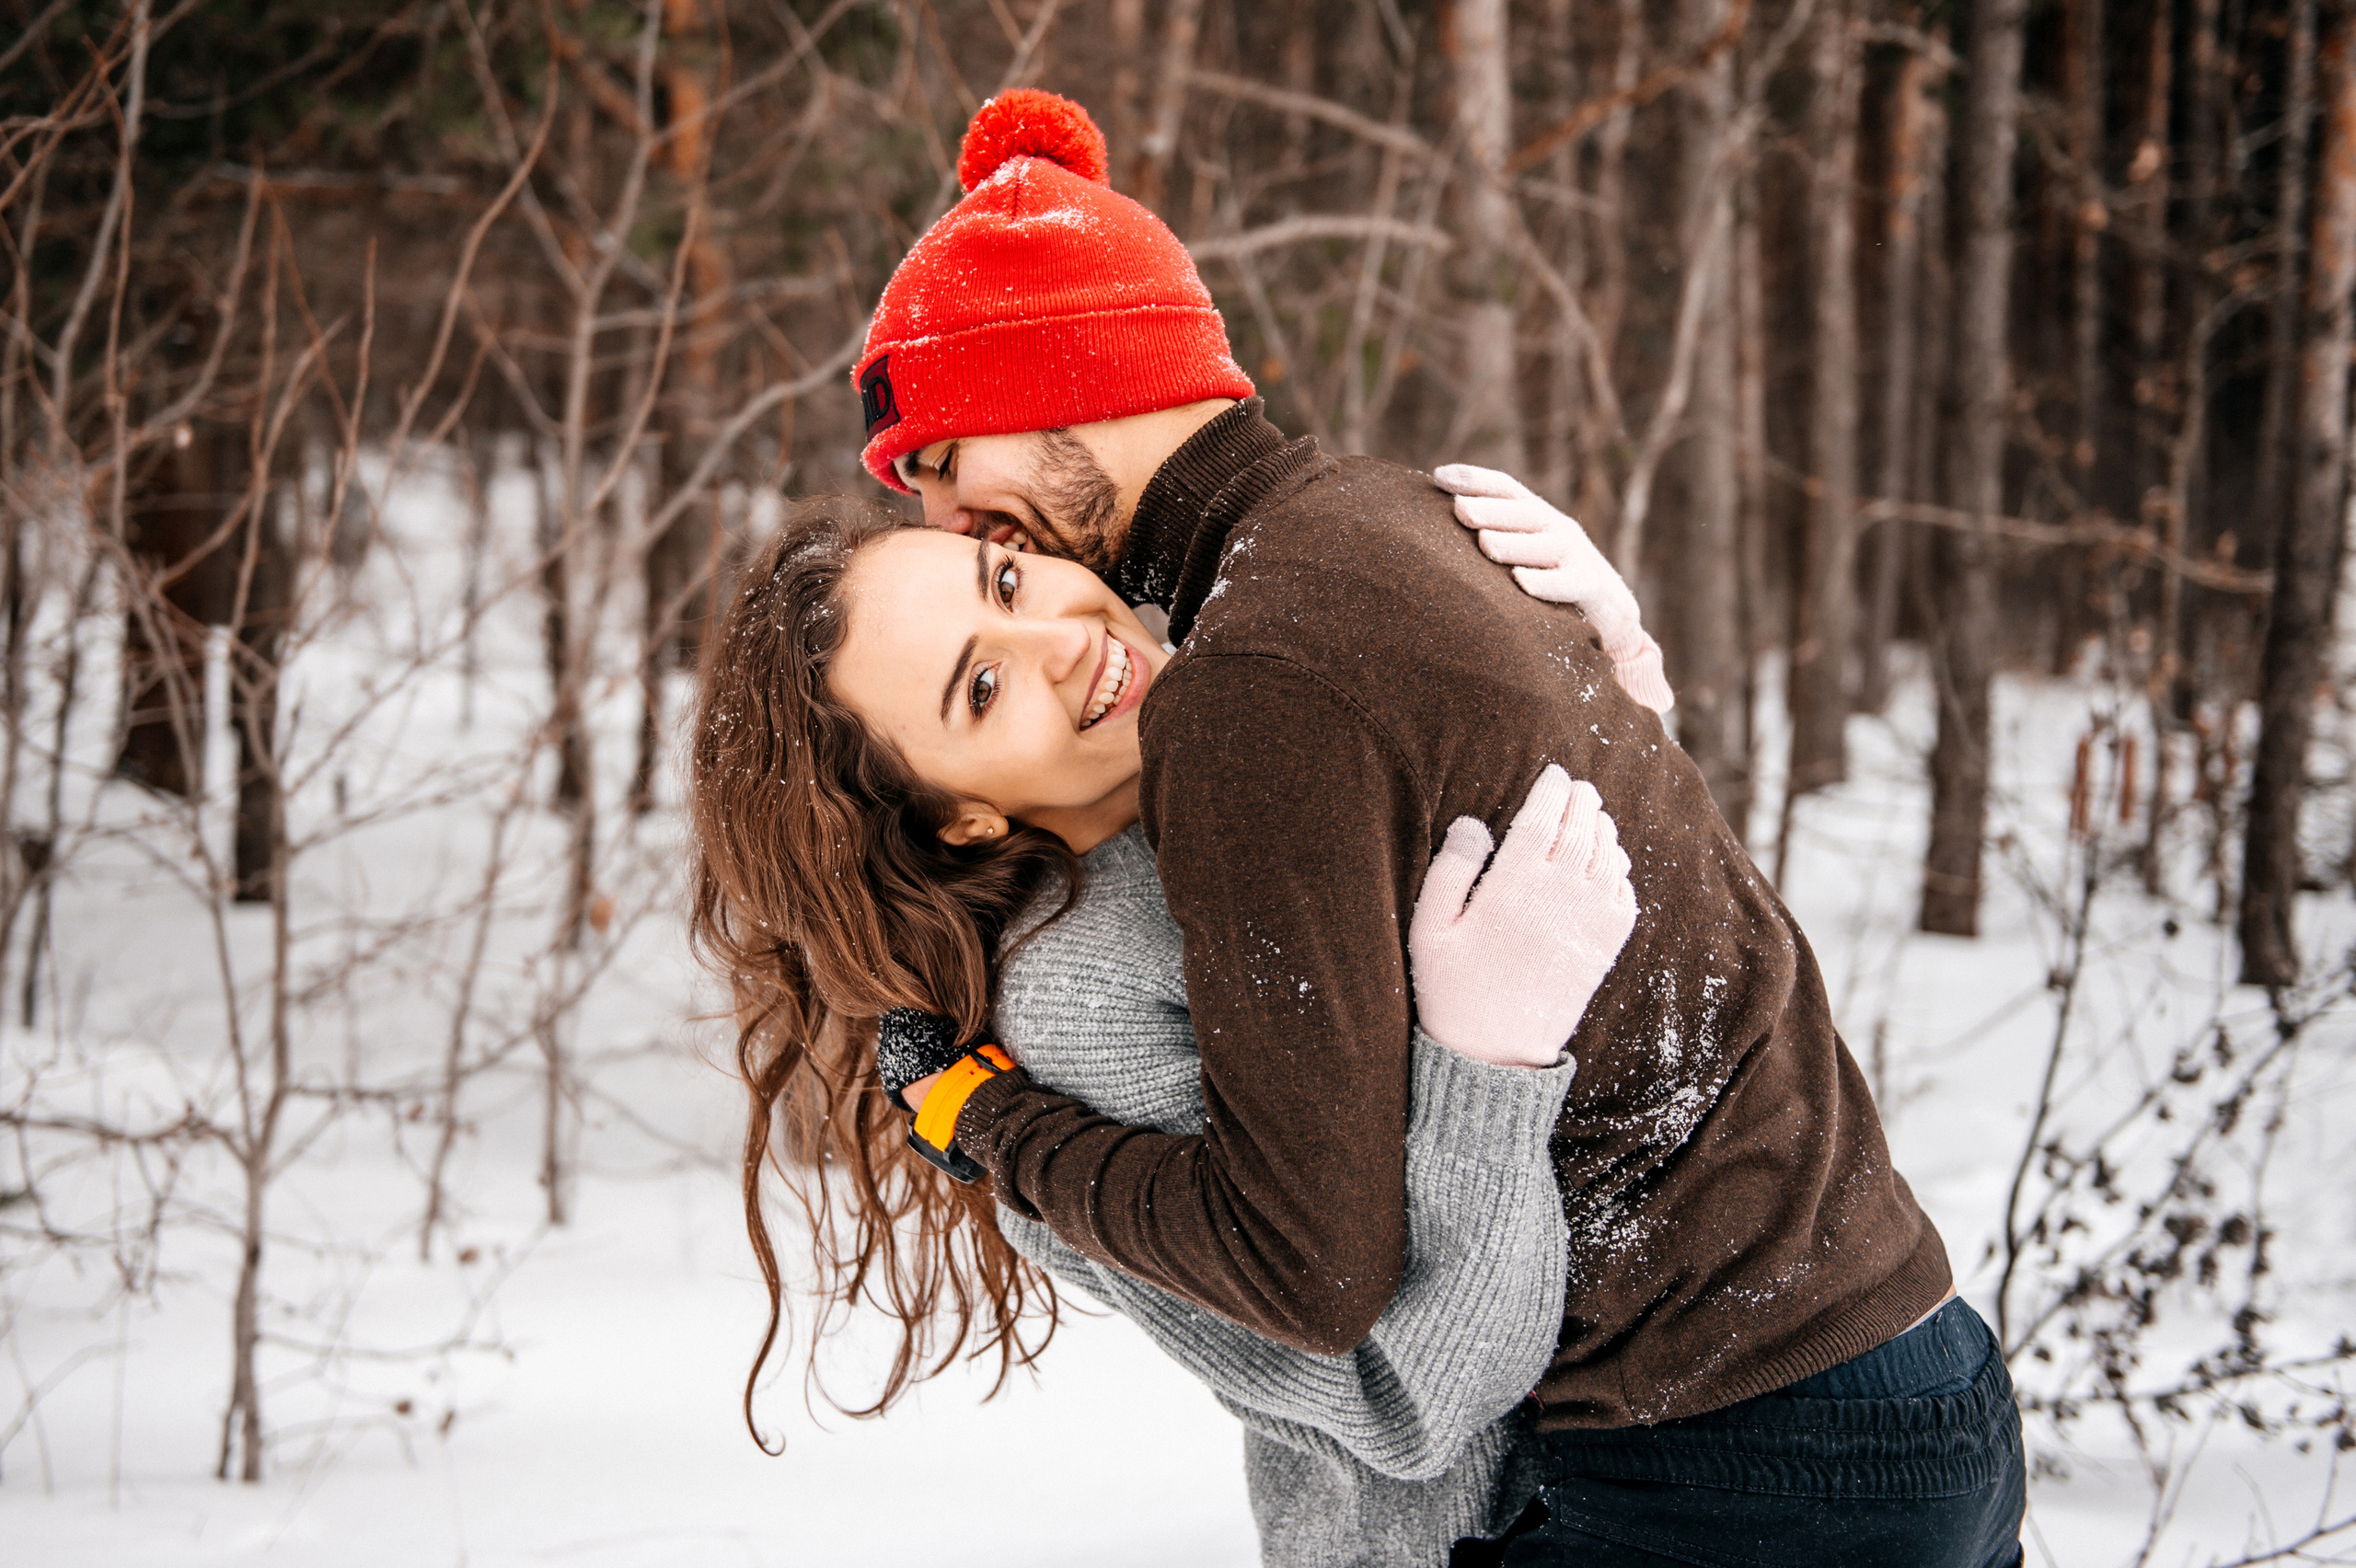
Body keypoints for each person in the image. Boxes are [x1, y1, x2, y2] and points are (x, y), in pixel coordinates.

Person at [849, 89, 2026, 1567]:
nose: (955, 523)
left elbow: (1309, 1271)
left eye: (944, 470)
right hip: (1920, 1370)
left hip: (1720, 1453)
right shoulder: (1406, 519)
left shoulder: (1252, 686)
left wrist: (985, 1121)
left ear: (1044, 385)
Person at [690, 495, 1648, 1564]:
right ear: (958, 816)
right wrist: (1485, 1068)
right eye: (984, 688)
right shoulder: (1079, 1000)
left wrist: (1583, 672)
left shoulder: (1233, 757)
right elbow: (1408, 1400)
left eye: (1004, 582)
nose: (1061, 640)